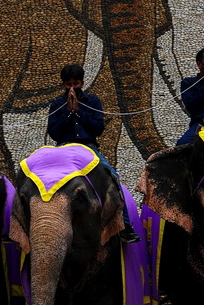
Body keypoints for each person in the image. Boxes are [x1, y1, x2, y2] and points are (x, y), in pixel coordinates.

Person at [47, 65, 140, 243]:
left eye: (76, 83)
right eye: (68, 84)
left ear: (82, 83)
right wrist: (67, 112)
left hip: (88, 148)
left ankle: (124, 226)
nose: (72, 88)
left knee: (112, 176)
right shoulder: (57, 105)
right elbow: (54, 133)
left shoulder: (93, 102)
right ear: (63, 85)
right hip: (64, 148)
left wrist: (78, 112)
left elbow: (98, 128)